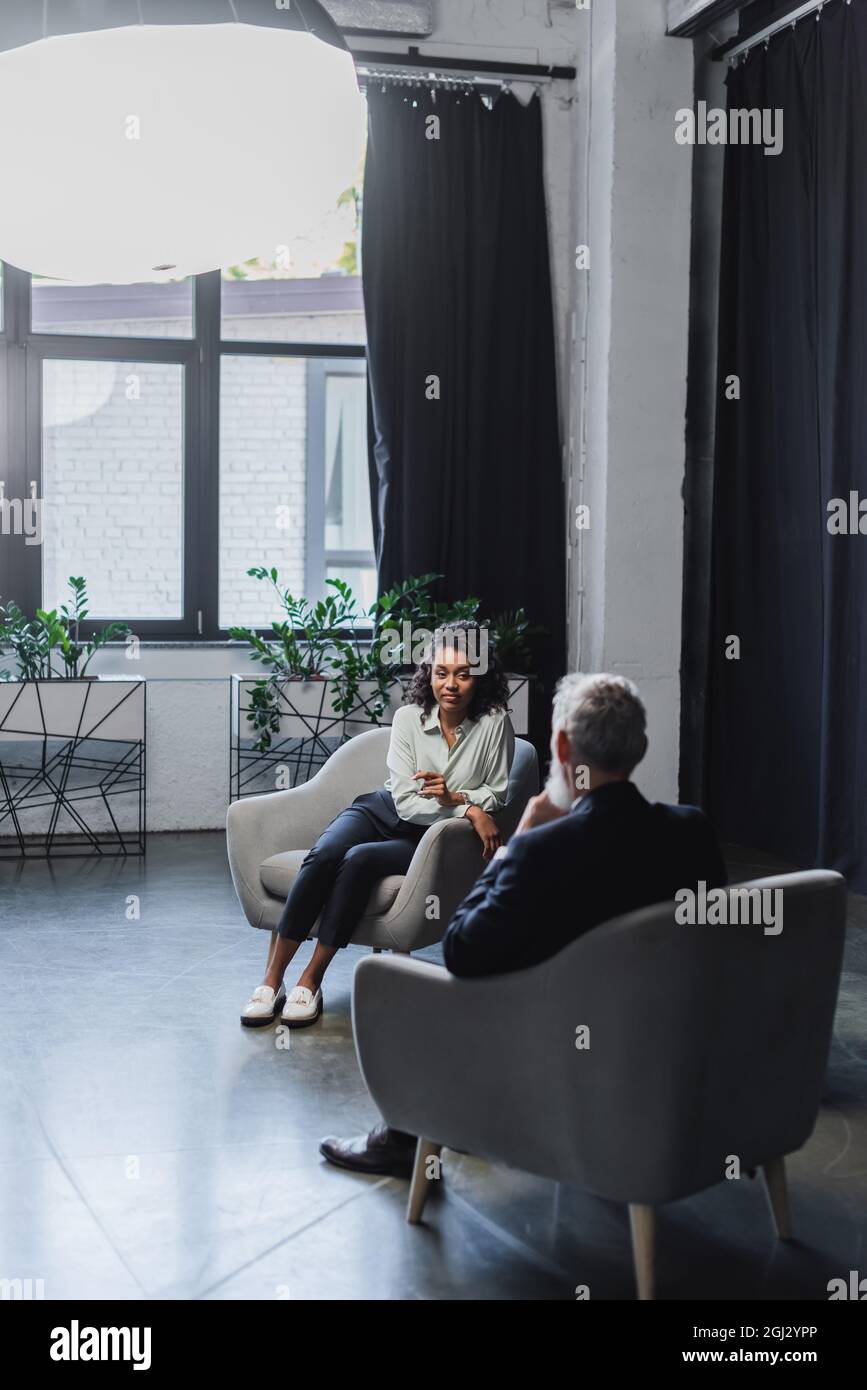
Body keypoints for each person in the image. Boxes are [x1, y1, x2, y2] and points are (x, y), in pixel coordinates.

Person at [319, 671, 727, 1175]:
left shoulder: (544, 849)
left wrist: (519, 840)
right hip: (670, 1056)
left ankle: (408, 1137)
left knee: (399, 982)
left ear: (560, 744)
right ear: (640, 747)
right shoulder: (693, 833)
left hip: (554, 1062)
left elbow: (463, 951)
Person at [241, 622, 515, 1028]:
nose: (451, 685)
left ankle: (310, 979)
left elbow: (498, 795)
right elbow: (406, 800)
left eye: (463, 674)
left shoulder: (494, 724)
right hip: (382, 810)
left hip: (429, 837)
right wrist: (467, 809)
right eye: (441, 673)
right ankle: (271, 979)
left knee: (358, 862)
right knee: (324, 855)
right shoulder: (408, 718)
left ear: (480, 677)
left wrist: (455, 800)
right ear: (429, 674)